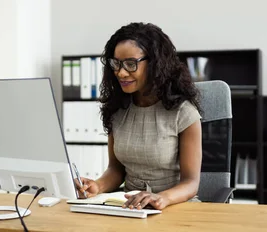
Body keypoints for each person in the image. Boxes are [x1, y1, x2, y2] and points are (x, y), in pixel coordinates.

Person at [75, 22, 203, 210]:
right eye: (116, 63)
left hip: (174, 207)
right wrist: (97, 186)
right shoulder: (117, 109)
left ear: (155, 63)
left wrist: (161, 198)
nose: (121, 72)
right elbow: (116, 170)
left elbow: (191, 183)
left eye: (130, 64)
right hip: (130, 208)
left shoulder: (183, 112)